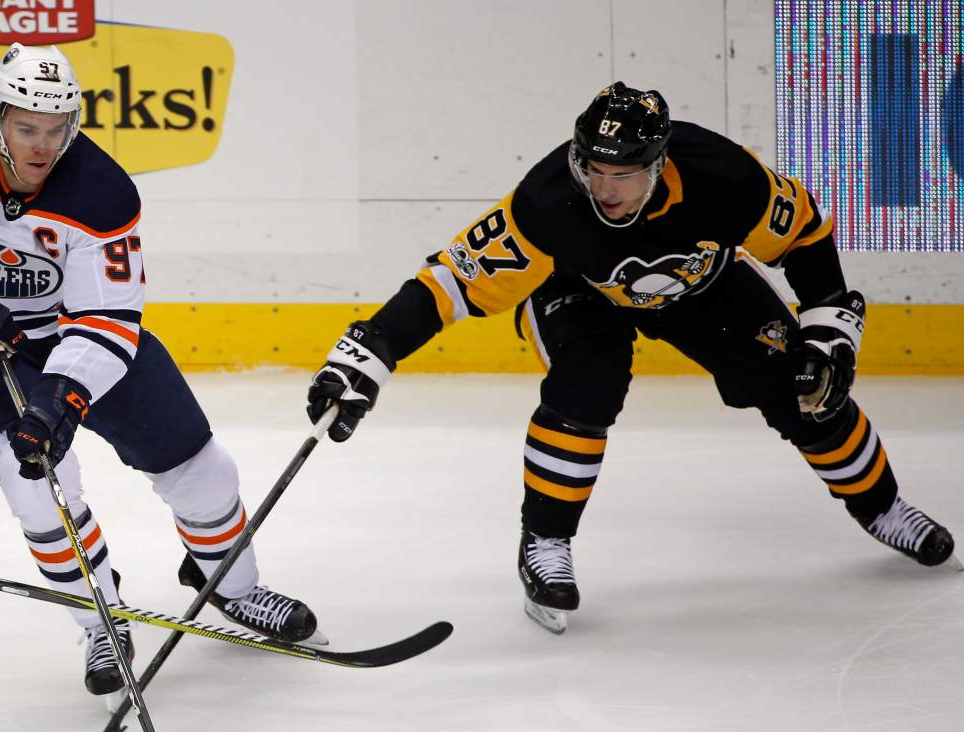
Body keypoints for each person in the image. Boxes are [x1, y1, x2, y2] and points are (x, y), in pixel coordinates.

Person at [306, 81, 958, 633]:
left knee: (801, 384)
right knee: (589, 381)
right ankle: (546, 540)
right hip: (576, 290)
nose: (606, 189)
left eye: (623, 174)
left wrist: (827, 327)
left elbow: (806, 234)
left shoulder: (724, 178)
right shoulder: (547, 202)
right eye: (596, 169)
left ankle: (881, 505)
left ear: (659, 163)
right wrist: (374, 347)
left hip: (699, 284)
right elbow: (449, 281)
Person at [0, 42, 323, 700]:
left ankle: (234, 589)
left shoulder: (101, 192)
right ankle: (100, 622)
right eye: (26, 128)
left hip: (81, 341)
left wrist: (61, 397)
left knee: (205, 472)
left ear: (75, 124)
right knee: (39, 485)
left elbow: (106, 315)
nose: (41, 146)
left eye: (56, 129)